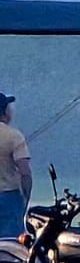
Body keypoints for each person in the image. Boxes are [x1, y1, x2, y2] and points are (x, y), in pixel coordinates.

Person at [0, 93, 31, 239]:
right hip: (9, 197)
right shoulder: (14, 136)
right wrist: (25, 196)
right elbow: (25, 172)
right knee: (10, 246)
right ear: (5, 112)